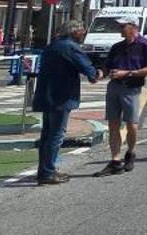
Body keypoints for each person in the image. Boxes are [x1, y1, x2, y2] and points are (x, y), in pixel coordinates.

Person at [30, 22, 99, 185]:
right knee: (56, 135)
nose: (83, 33)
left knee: (47, 135)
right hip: (61, 97)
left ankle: (45, 169)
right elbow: (90, 71)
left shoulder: (52, 46)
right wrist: (98, 72)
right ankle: (47, 173)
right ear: (73, 32)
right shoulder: (70, 47)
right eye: (81, 30)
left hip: (45, 96)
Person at [95, 19, 147, 176]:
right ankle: (115, 161)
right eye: (120, 26)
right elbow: (107, 66)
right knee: (113, 123)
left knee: (131, 124)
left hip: (132, 88)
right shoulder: (117, 47)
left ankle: (131, 152)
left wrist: (129, 73)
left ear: (133, 28)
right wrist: (100, 73)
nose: (120, 29)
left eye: (123, 26)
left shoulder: (146, 45)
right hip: (114, 87)